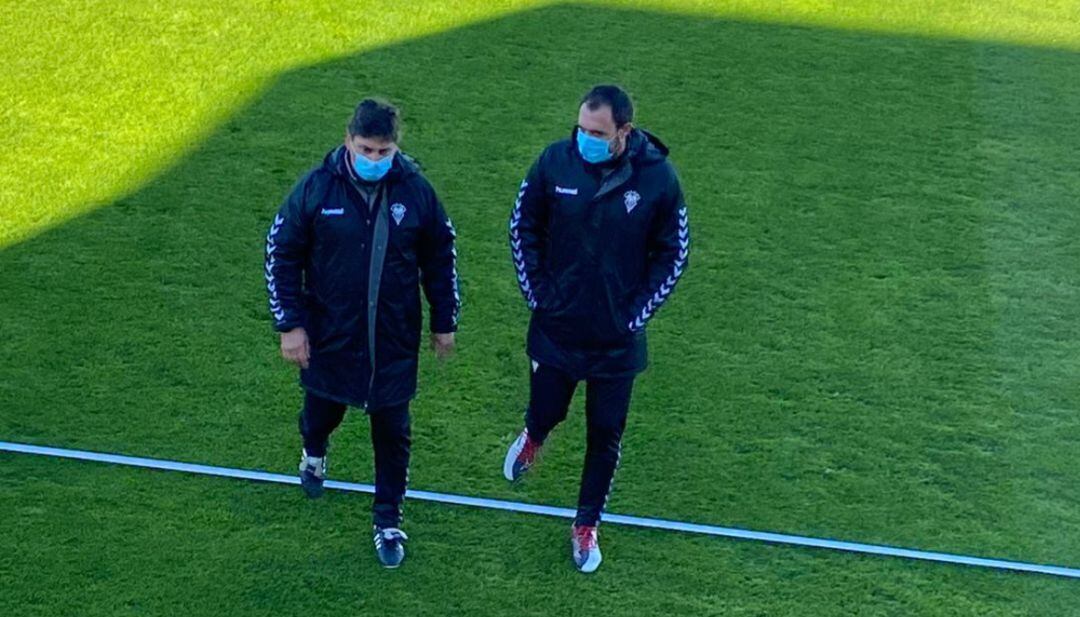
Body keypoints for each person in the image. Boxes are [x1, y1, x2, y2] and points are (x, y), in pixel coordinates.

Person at [265, 98, 459, 568]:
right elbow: (281, 249)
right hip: (331, 335)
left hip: (392, 339)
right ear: (348, 141)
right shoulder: (316, 189)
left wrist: (444, 321)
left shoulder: (416, 192)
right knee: (320, 414)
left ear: (397, 147)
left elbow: (440, 255)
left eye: (384, 151)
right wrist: (290, 324)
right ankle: (314, 453)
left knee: (393, 432)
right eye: (366, 149)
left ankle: (387, 519)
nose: (375, 159)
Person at [504, 84, 689, 573]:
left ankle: (586, 524)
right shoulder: (555, 162)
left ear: (623, 132)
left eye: (596, 132)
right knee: (547, 408)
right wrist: (539, 295)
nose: (583, 138)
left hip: (616, 341)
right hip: (557, 326)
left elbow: (674, 252)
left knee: (605, 433)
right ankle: (534, 435)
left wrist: (634, 316)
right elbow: (522, 224)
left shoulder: (658, 179)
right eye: (581, 128)